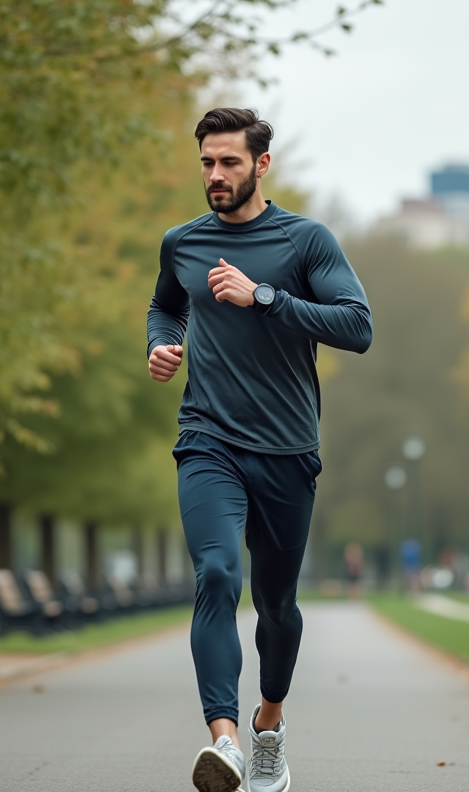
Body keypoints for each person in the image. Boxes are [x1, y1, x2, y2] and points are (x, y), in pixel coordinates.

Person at [147, 107, 372, 792]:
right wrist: (159, 344)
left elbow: (357, 326)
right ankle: (225, 744)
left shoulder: (305, 242)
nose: (216, 176)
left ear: (261, 165)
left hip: (287, 451)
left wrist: (265, 297)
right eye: (207, 163)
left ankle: (267, 725)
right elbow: (166, 305)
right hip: (207, 439)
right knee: (216, 575)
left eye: (230, 163)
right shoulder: (182, 243)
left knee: (277, 606)